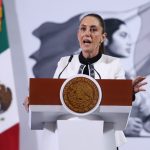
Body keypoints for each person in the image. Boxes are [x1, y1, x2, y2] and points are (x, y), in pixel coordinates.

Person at [23, 13, 147, 149]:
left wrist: (129, 93)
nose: (87, 33)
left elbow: (119, 103)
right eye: (83, 29)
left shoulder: (114, 64)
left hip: (103, 139)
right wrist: (35, 103)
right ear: (78, 35)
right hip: (67, 138)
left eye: (93, 30)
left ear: (103, 38)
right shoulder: (64, 63)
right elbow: (54, 100)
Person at [104, 18, 150, 136]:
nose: (130, 42)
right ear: (104, 39)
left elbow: (144, 107)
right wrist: (119, 126)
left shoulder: (125, 76)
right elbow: (79, 114)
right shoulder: (85, 73)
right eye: (123, 35)